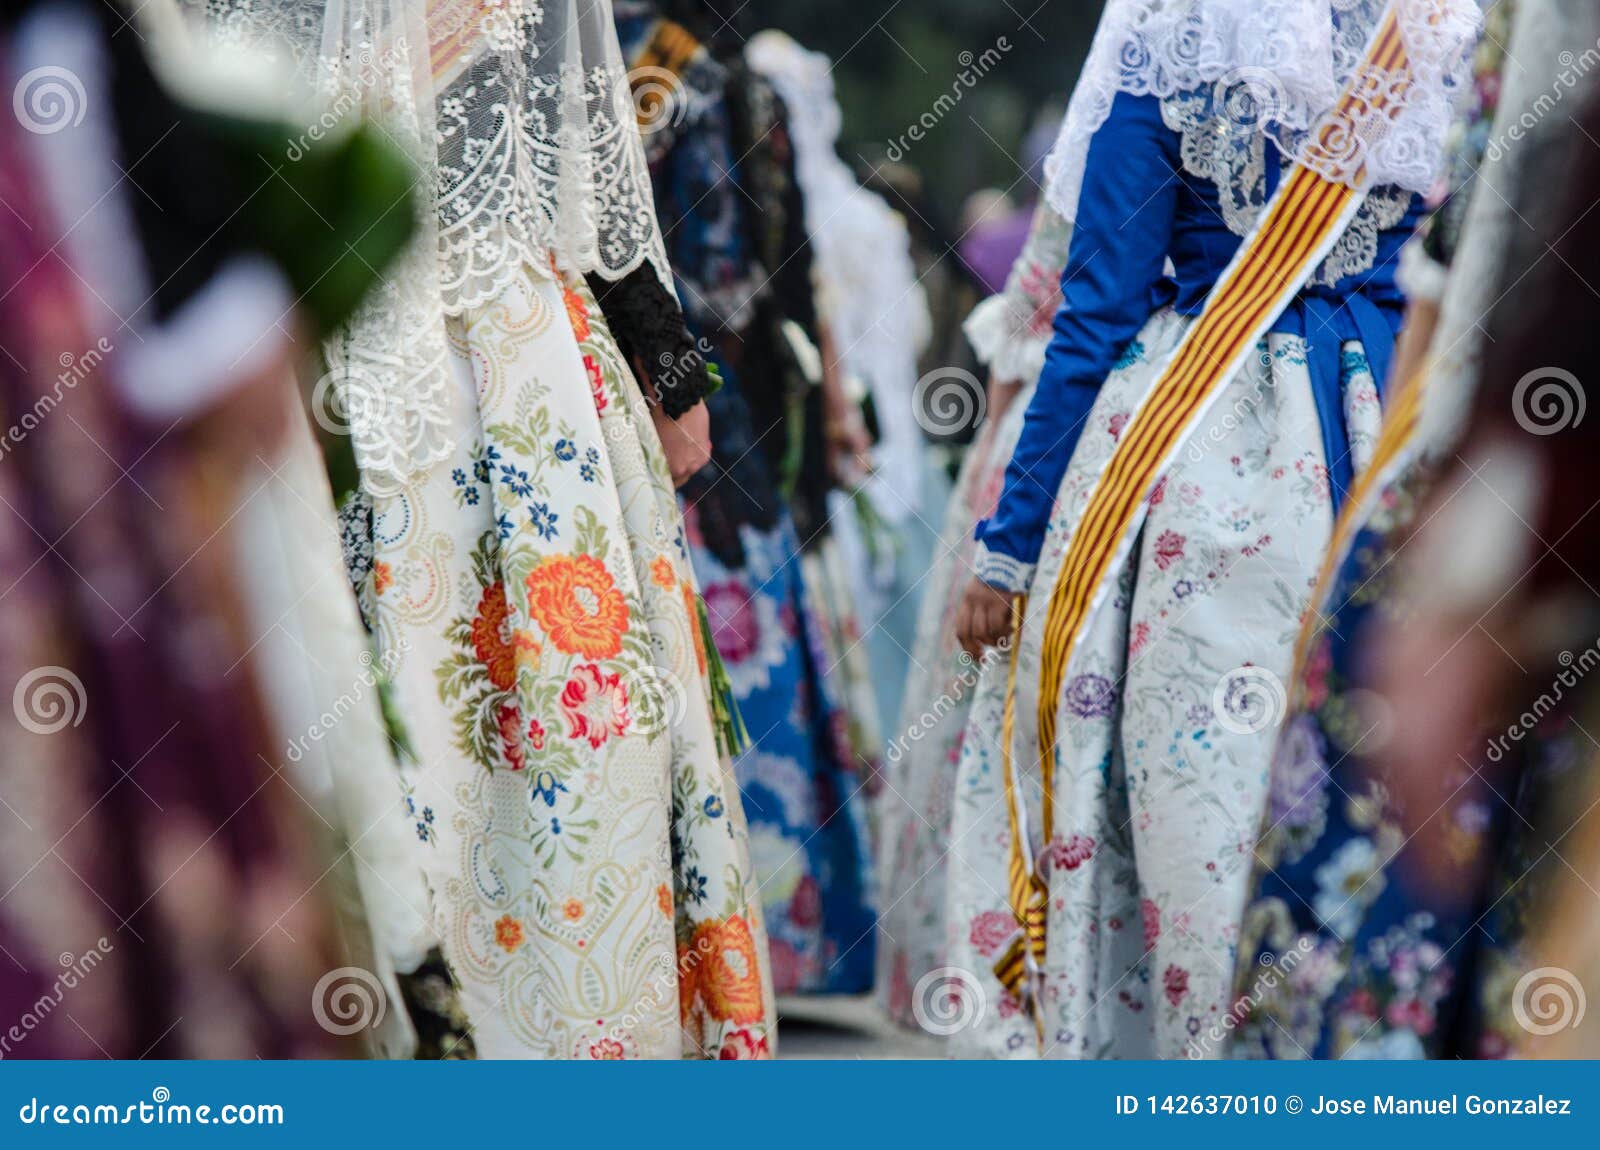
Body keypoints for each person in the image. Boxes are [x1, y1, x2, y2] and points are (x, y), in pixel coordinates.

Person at [206, 0, 775, 1059]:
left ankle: (572, 1019)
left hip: (501, 363)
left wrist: (673, 364)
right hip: (376, 363)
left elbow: (587, 154)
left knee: (570, 711)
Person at [946, 0, 1479, 1058]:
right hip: (1385, 446)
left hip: (1193, 454)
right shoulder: (1448, 31)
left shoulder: (1172, 31)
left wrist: (1007, 547)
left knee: (1200, 806)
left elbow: (1093, 314)